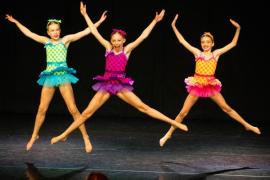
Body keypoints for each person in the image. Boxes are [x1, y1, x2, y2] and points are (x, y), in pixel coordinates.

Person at [50, 2, 188, 147]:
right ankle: (63, 135)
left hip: (121, 84)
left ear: (123, 41)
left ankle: (174, 123)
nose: (115, 43)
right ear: (111, 40)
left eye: (118, 40)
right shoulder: (108, 47)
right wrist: (85, 15)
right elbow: (94, 32)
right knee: (86, 113)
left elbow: (143, 37)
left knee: (143, 107)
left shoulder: (126, 50)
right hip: (106, 83)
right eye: (113, 40)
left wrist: (154, 21)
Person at [5, 10, 107, 153]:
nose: (55, 33)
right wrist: (16, 22)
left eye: (57, 30)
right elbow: (29, 33)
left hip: (64, 76)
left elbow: (86, 31)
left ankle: (86, 137)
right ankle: (34, 135)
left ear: (60, 30)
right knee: (42, 108)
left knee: (73, 109)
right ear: (48, 32)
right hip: (49, 77)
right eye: (52, 30)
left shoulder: (65, 40)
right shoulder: (45, 41)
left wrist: (99, 22)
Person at [159, 14, 261, 147]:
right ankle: (168, 134)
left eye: (208, 42)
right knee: (183, 112)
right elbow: (182, 42)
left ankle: (247, 125)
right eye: (203, 42)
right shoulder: (197, 53)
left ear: (212, 43)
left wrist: (238, 29)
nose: (205, 44)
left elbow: (233, 43)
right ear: (201, 44)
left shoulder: (215, 54)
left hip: (210, 85)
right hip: (197, 84)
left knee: (226, 109)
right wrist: (173, 26)